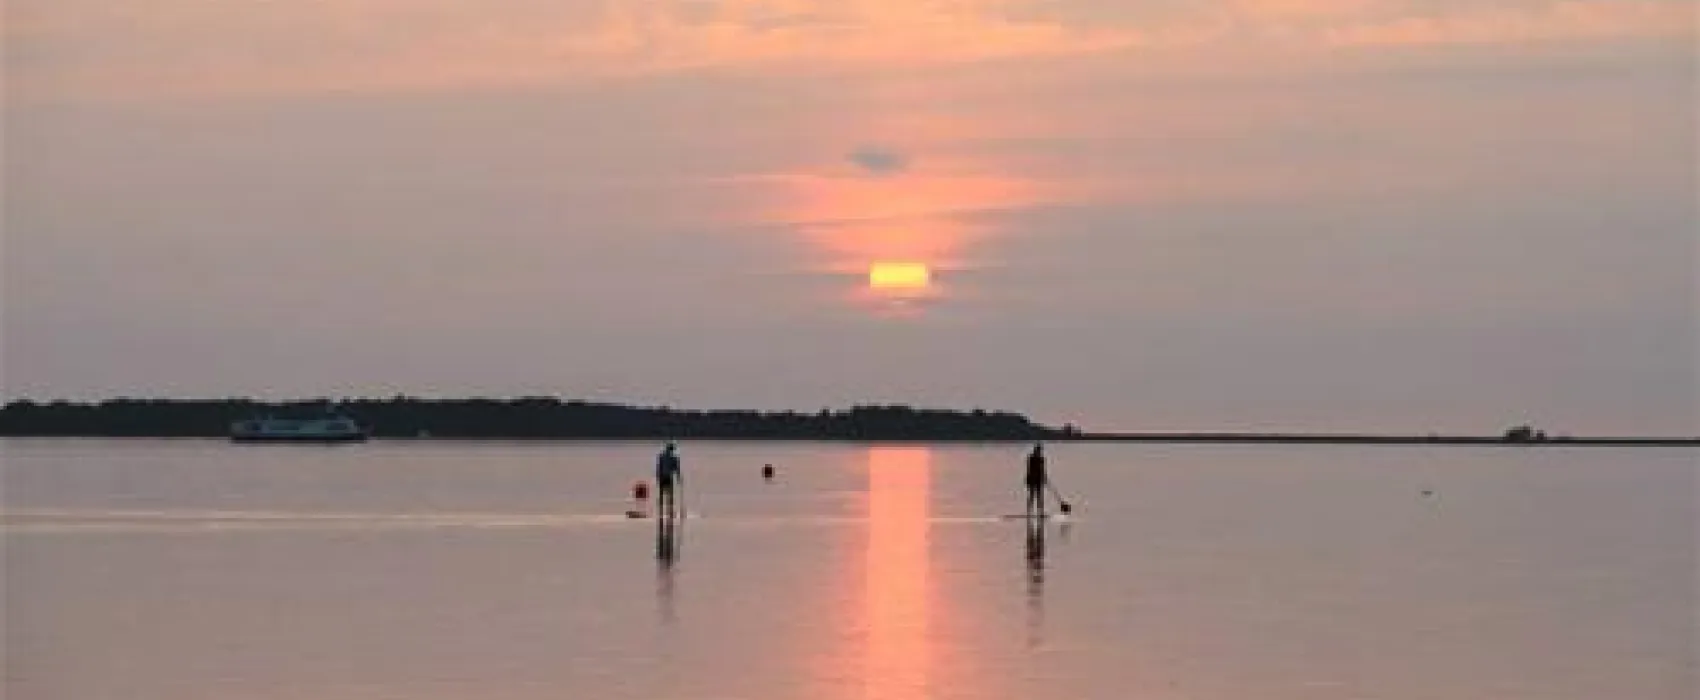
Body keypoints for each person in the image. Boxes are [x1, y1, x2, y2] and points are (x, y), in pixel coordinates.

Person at [656, 442, 683, 518]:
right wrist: (678, 478)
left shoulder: (662, 456)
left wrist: (658, 477)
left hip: (662, 477)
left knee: (662, 495)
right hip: (667, 477)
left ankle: (661, 512)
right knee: (670, 495)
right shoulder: (673, 458)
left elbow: (659, 468)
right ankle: (669, 512)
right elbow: (676, 469)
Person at [1025, 443, 1048, 517]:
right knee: (1032, 496)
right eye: (1038, 450)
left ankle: (1041, 512)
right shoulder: (1032, 458)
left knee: (1039, 497)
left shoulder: (1041, 459)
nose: (1039, 452)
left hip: (1038, 479)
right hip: (1032, 479)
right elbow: (1029, 469)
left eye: (1040, 451)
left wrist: (1044, 477)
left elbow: (1042, 469)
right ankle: (1029, 512)